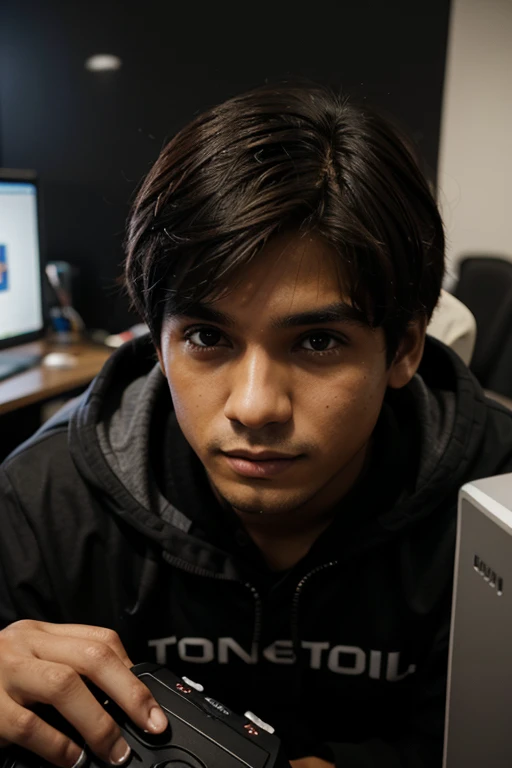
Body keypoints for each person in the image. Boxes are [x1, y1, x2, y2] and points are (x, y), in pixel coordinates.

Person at [1, 83, 511, 768]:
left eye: (319, 342)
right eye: (208, 337)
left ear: (406, 349)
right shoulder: (42, 506)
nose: (255, 406)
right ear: (157, 343)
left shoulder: (495, 506)